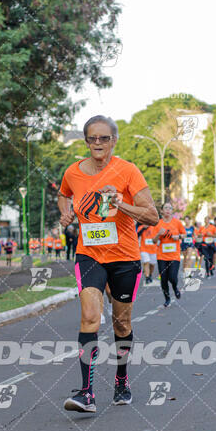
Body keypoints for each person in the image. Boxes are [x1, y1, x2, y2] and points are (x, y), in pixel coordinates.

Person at [58, 115, 158, 413]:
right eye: (92, 138)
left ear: (114, 140)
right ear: (86, 141)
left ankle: (121, 378)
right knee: (90, 316)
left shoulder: (128, 171)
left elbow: (152, 216)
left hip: (125, 257)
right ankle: (86, 393)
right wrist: (66, 214)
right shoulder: (73, 173)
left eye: (104, 138)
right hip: (89, 254)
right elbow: (64, 195)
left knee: (121, 322)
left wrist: (121, 204)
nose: (98, 143)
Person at [153, 203, 186, 307]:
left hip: (174, 256)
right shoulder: (158, 223)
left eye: (170, 208)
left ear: (172, 211)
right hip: (161, 256)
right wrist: (159, 234)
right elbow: (153, 241)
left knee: (172, 277)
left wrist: (179, 236)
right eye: (166, 208)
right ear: (161, 211)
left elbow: (184, 234)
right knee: (163, 279)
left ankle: (175, 288)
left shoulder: (177, 222)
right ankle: (167, 299)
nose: (168, 210)